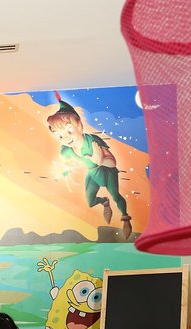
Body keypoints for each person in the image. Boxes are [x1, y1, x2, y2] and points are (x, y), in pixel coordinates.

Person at [47, 91, 132, 239]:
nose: (65, 138)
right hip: (92, 173)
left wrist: (100, 160)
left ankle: (125, 218)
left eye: (69, 131)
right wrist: (66, 169)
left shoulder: (92, 141)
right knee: (91, 202)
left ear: (79, 126)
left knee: (116, 196)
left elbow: (112, 162)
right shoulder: (66, 149)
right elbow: (65, 162)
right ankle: (104, 202)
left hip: (107, 172)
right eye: (60, 136)